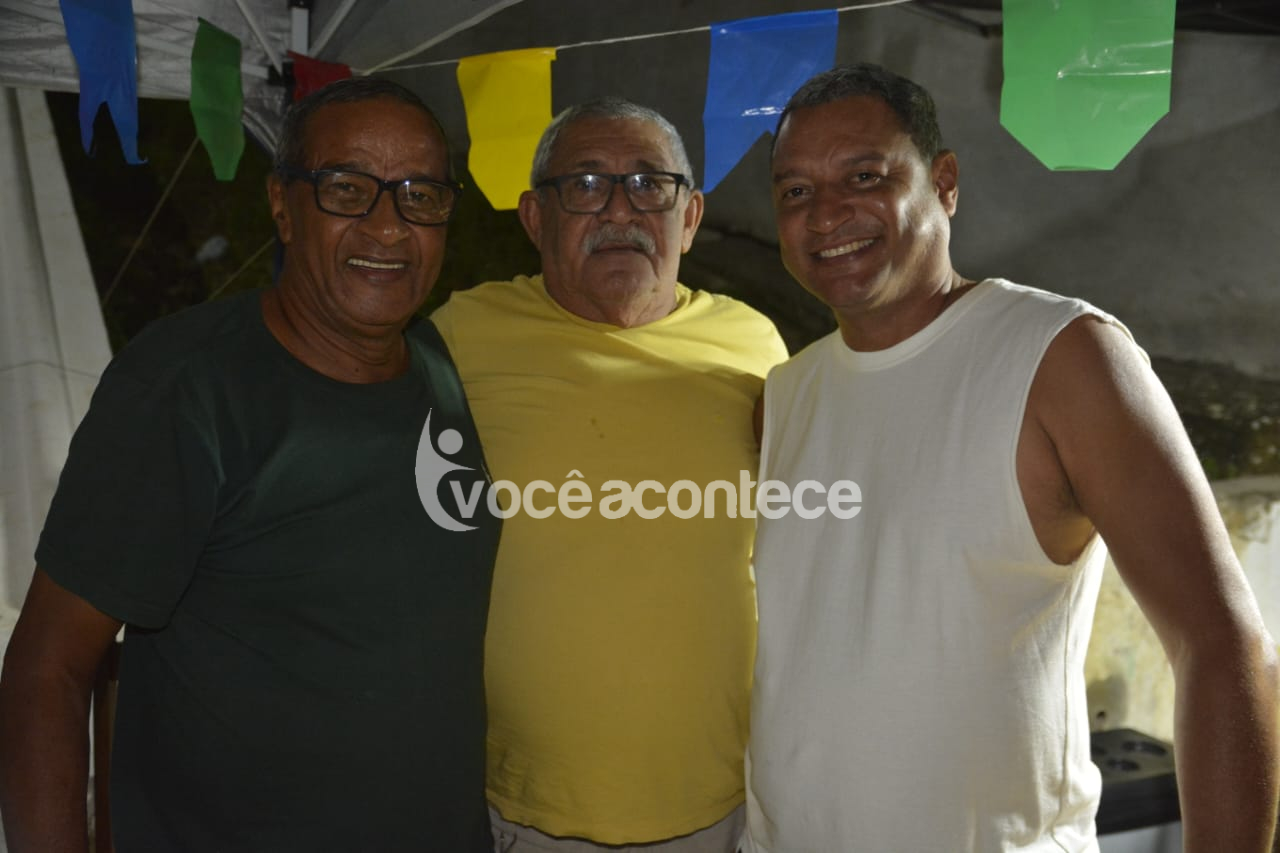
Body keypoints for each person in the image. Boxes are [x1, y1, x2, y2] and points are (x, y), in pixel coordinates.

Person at [744, 63, 1279, 852]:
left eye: (864, 176)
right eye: (796, 190)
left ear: (944, 183)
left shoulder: (1061, 356)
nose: (825, 213)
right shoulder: (785, 395)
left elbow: (1221, 643)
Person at [0, 77, 500, 852]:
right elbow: (48, 669)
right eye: (347, 189)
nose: (388, 225)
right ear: (282, 205)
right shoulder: (187, 385)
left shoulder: (436, 362)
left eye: (420, 195)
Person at [431, 97, 787, 851]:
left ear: (690, 216)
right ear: (535, 217)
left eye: (649, 184)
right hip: (524, 809)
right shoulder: (459, 337)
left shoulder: (755, 344)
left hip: (722, 802)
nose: (620, 210)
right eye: (586, 184)